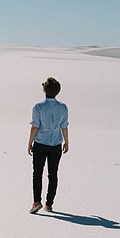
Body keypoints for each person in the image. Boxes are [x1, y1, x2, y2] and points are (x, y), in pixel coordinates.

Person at [28, 77, 69, 213]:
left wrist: (29, 143)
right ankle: (49, 204)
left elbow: (35, 127)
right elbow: (64, 126)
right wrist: (67, 142)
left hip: (40, 143)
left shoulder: (38, 107)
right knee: (53, 174)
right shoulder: (63, 107)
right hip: (56, 143)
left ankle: (36, 202)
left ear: (44, 90)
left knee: (37, 173)